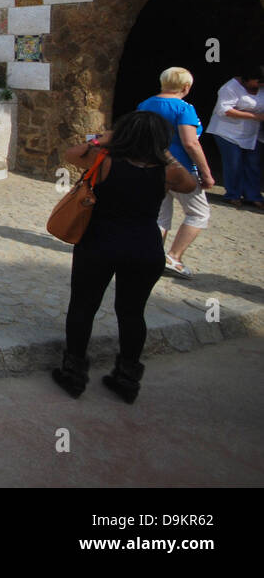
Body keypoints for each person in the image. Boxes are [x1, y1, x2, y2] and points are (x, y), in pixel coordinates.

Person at [52, 113, 199, 402]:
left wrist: (100, 139)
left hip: (99, 244)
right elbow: (189, 184)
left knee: (83, 306)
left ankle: (74, 375)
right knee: (132, 313)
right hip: (145, 248)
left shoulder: (104, 160)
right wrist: (164, 152)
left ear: (123, 134)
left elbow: (70, 154)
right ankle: (127, 379)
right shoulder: (166, 171)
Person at [137, 67, 215, 278]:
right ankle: (173, 256)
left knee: (160, 215)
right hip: (180, 170)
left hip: (152, 166)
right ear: (186, 86)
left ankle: (150, 255)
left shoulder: (145, 105)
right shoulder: (184, 109)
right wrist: (206, 173)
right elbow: (190, 143)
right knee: (198, 213)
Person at [205, 64, 264, 208]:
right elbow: (224, 109)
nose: (261, 85)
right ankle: (233, 194)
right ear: (249, 79)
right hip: (228, 132)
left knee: (253, 164)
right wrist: (254, 116)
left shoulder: (261, 88)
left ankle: (253, 195)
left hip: (253, 133)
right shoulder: (230, 87)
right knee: (234, 163)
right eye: (259, 82)